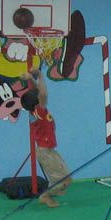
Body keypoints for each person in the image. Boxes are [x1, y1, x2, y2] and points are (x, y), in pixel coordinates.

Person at [20, 68, 72, 207]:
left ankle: (47, 196)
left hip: (49, 150)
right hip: (45, 152)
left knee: (67, 178)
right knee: (61, 180)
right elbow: (43, 93)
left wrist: (31, 78)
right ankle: (45, 196)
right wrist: (39, 74)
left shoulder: (35, 110)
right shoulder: (40, 111)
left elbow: (38, 91)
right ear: (37, 103)